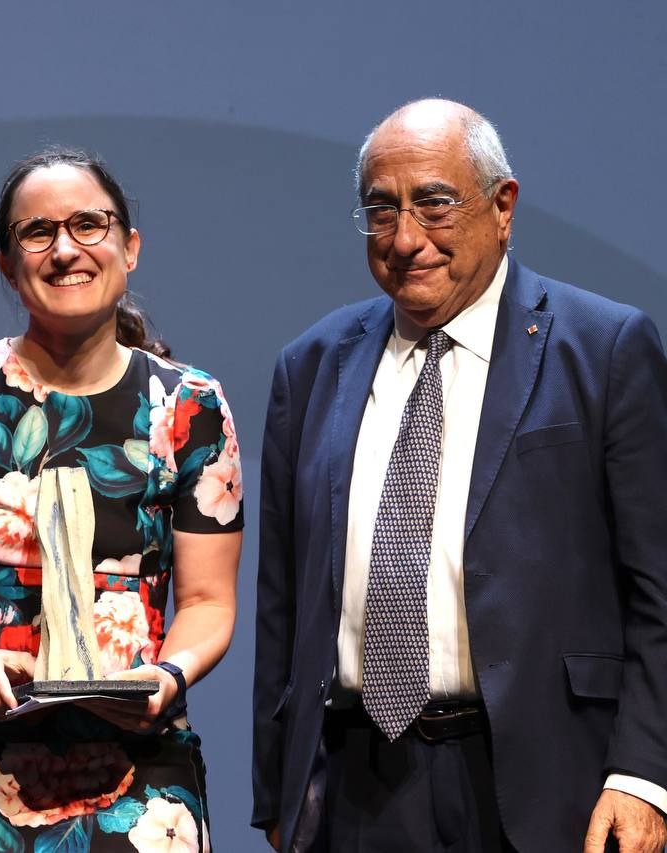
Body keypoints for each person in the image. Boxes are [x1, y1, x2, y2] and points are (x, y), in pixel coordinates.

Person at [251, 98, 667, 853]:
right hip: (353, 786)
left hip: (548, 783)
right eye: (381, 210)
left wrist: (643, 774)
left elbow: (660, 589)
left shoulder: (604, 349)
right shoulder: (312, 364)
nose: (407, 238)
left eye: (434, 204)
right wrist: (276, 789)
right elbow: (283, 600)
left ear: (502, 206)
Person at [0, 147, 243, 852]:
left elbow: (210, 602)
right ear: (7, 264)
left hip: (143, 774)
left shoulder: (192, 406)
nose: (65, 249)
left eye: (89, 225)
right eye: (38, 232)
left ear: (130, 246)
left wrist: (170, 672)